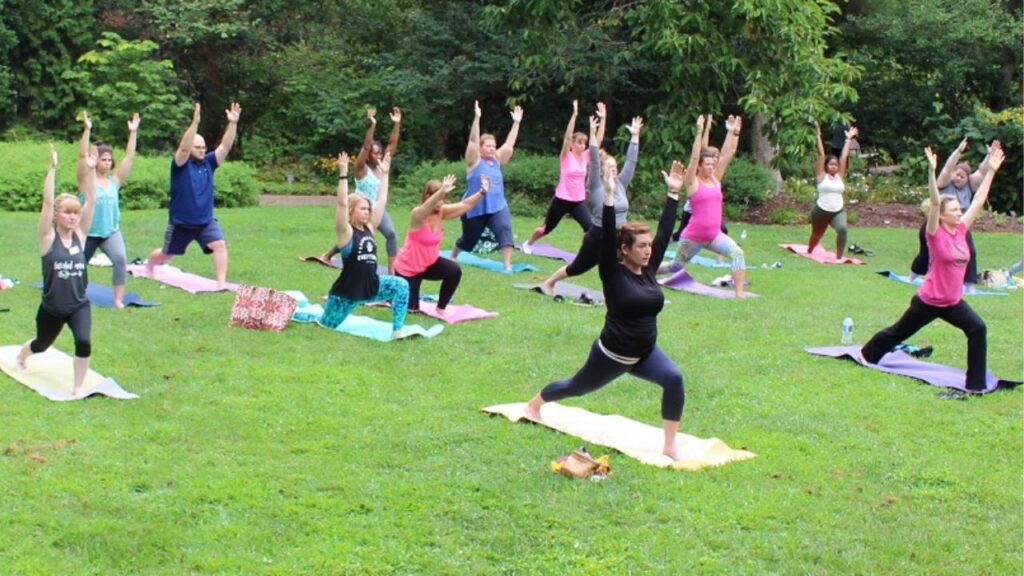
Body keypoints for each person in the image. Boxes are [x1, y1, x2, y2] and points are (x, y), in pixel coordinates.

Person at [524, 160, 686, 460]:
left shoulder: (649, 271)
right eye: (641, 246)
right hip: (612, 355)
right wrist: (609, 197)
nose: (649, 250)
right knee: (576, 387)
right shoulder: (612, 273)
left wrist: (673, 195)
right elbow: (609, 232)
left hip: (645, 353)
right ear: (625, 250)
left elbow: (665, 233)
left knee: (674, 378)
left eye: (649, 246)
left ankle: (670, 445)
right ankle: (535, 404)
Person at [861, 146, 1004, 393]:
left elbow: (979, 200)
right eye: (955, 211)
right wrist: (932, 170)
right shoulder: (935, 234)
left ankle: (975, 385)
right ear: (942, 216)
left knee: (978, 328)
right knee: (897, 333)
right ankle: (867, 354)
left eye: (960, 210)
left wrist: (991, 170)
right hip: (928, 301)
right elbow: (935, 201)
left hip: (952, 302)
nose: (960, 213)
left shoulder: (961, 230)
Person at [17, 117, 98, 397]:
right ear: (56, 216)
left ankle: (77, 386)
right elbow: (47, 202)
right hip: (51, 308)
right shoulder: (47, 239)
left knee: (84, 341)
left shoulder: (81, 235)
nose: (73, 217)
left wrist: (90, 173)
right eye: (68, 213)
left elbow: (92, 200)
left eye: (76, 213)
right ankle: (22, 356)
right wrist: (52, 169)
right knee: (42, 344)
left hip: (78, 305)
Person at [538, 111, 641, 296]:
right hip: (598, 236)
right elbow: (594, 159)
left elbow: (631, 163)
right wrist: (593, 134)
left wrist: (634, 137)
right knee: (577, 267)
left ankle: (631, 292)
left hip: (620, 235)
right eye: (610, 166)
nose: (614, 168)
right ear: (601, 171)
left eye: (615, 165)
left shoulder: (621, 183)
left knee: (628, 263)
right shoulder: (595, 186)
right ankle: (550, 282)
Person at [144, 102, 241, 289]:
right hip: (181, 223)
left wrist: (233, 124)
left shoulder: (209, 163)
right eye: (198, 147)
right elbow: (183, 149)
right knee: (167, 255)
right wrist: (195, 123)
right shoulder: (180, 165)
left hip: (205, 222)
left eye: (204, 147)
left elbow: (225, 146)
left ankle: (221, 284)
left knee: (219, 244)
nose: (202, 150)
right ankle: (150, 266)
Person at [319, 151, 411, 340]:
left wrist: (385, 173)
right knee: (325, 325)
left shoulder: (369, 227)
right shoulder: (346, 232)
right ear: (352, 211)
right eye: (363, 209)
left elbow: (382, 200)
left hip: (372, 286)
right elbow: (342, 203)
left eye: (368, 209)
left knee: (401, 285)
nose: (367, 212)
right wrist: (343, 174)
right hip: (347, 292)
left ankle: (397, 331)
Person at [660, 114, 748, 297]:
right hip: (694, 236)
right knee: (675, 266)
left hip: (714, 235)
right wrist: (699, 133)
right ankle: (642, 275)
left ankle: (739, 294)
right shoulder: (692, 182)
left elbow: (728, 153)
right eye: (707, 164)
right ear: (699, 166)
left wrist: (733, 133)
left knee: (737, 253)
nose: (711, 167)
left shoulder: (715, 178)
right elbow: (693, 159)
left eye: (712, 164)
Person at [909, 138, 1001, 291]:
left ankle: (969, 285)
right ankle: (912, 276)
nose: (958, 178)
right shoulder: (945, 182)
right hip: (936, 222)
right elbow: (946, 169)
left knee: (970, 251)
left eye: (962, 177)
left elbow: (982, 172)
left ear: (967, 179)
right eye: (956, 175)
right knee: (927, 251)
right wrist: (958, 152)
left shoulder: (970, 185)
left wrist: (989, 157)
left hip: (958, 225)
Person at [393, 173, 490, 315]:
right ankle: (393, 293)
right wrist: (440, 192)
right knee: (412, 310)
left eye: (443, 199)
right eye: (439, 199)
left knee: (454, 271)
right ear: (427, 196)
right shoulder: (417, 214)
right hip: (408, 269)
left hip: (428, 265)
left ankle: (441, 308)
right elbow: (426, 208)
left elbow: (465, 205)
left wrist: (482, 192)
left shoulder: (441, 212)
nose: (441, 203)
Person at [320, 107, 402, 273]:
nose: (378, 156)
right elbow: (365, 148)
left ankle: (393, 273)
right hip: (360, 207)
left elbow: (392, 145)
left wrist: (397, 124)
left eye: (379, 153)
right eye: (374, 154)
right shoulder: (361, 169)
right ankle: (327, 255)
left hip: (377, 209)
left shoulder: (382, 166)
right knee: (354, 237)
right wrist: (372, 125)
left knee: (391, 234)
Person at [522, 101, 605, 252]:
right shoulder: (566, 156)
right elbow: (567, 138)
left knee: (589, 227)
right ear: (573, 145)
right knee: (546, 229)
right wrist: (574, 115)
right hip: (561, 200)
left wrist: (603, 119)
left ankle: (584, 254)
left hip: (577, 201)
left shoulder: (586, 157)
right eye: (579, 143)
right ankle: (528, 243)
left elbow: (597, 142)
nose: (582, 146)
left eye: (584, 143)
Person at [449, 100, 523, 272]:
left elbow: (510, 143)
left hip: (497, 206)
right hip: (474, 207)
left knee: (505, 229)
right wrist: (476, 118)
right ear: (481, 149)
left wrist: (516, 123)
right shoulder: (474, 162)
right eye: (488, 146)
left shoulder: (497, 160)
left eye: (493, 146)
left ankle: (507, 265)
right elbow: (473, 141)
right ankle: (453, 256)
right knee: (468, 239)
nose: (492, 149)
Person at [82, 113, 139, 308]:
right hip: (87, 232)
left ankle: (117, 300)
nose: (106, 162)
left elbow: (129, 158)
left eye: (109, 160)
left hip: (110, 232)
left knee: (121, 259)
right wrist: (87, 130)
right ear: (95, 159)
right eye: (102, 159)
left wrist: (133, 133)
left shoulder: (114, 182)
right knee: (76, 265)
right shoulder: (86, 180)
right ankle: (72, 294)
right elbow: (83, 157)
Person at [806, 122, 857, 259]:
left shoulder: (840, 176)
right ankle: (810, 249)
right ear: (826, 166)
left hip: (837, 210)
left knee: (843, 229)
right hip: (821, 210)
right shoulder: (821, 176)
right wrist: (817, 133)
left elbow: (844, 157)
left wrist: (848, 139)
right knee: (816, 235)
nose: (834, 166)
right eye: (831, 164)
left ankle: (839, 258)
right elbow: (821, 155)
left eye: (836, 165)